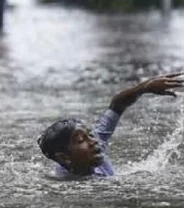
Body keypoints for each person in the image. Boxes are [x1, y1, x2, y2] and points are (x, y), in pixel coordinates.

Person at [38, 73, 184, 179]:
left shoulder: (94, 149)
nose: (94, 140)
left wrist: (144, 87)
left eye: (90, 134)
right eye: (81, 140)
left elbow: (117, 105)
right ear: (64, 157)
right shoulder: (64, 188)